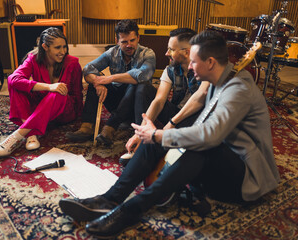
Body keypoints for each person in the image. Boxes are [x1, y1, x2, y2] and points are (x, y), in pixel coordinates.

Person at [59, 30, 280, 239]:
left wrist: (160, 136)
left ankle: (131, 210)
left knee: (191, 145)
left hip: (245, 180)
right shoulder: (217, 79)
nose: (190, 66)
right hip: (218, 166)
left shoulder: (237, 89)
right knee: (157, 135)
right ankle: (110, 199)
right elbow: (197, 111)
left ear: (210, 62)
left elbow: (210, 136)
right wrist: (156, 135)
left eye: (194, 61)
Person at [120, 28, 210, 165]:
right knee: (144, 88)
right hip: (176, 115)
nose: (166, 53)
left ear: (187, 52)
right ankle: (143, 139)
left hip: (197, 120)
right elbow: (159, 101)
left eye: (171, 50)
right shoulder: (170, 70)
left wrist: (170, 125)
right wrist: (139, 133)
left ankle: (154, 149)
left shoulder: (205, 68)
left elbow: (200, 97)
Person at [0, 27, 83, 157]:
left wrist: (81, 117)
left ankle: (17, 136)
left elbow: (77, 93)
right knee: (16, 85)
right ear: (45, 47)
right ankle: (31, 135)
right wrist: (48, 87)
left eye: (64, 47)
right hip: (42, 106)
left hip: (64, 109)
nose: (63, 51)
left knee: (60, 91)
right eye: (58, 48)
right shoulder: (33, 59)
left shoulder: (72, 63)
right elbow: (12, 79)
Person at [66, 19, 156, 146]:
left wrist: (111, 78)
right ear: (117, 41)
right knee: (96, 81)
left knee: (137, 84)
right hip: (118, 104)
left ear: (138, 38)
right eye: (124, 42)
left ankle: (110, 127)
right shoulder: (111, 53)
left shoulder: (148, 53)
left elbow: (142, 75)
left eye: (132, 40)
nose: (129, 45)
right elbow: (87, 69)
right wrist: (98, 83)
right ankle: (87, 127)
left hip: (138, 106)